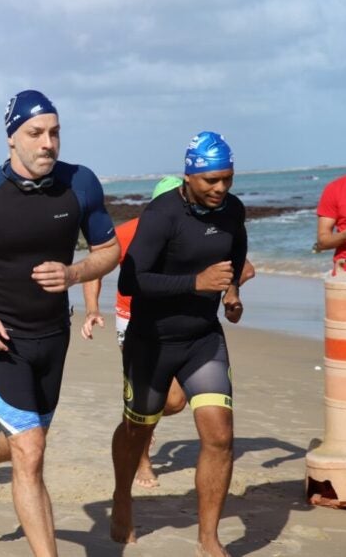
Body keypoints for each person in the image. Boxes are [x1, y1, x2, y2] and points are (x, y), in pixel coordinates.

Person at [0, 90, 121, 557]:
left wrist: (75, 273)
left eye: (55, 132)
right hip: (2, 341)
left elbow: (110, 250)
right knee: (31, 452)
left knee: (24, 441)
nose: (48, 143)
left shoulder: (82, 184)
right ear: (11, 138)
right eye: (36, 133)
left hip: (54, 338)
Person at [110, 132, 247, 557]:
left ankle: (208, 537)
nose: (220, 188)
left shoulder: (233, 210)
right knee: (140, 428)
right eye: (210, 180)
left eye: (226, 178)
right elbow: (131, 280)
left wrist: (231, 292)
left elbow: (236, 252)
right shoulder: (161, 215)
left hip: (203, 338)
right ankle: (122, 495)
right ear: (189, 176)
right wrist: (195, 282)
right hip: (151, 340)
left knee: (220, 436)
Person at [82, 176, 256, 489]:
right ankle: (143, 456)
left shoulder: (205, 221)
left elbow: (239, 262)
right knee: (155, 406)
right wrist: (93, 309)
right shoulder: (139, 229)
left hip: (194, 331)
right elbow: (101, 267)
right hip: (134, 321)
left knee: (174, 402)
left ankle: (145, 423)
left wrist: (232, 290)